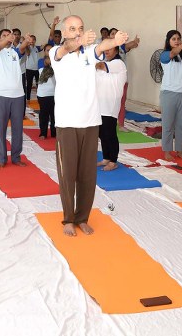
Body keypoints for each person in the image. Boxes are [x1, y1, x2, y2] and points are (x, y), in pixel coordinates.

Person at [50, 15, 128, 237]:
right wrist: (79, 40)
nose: (77, 32)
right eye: (72, 29)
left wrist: (115, 41)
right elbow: (66, 48)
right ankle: (68, 218)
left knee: (87, 175)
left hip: (91, 121)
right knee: (67, 174)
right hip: (67, 123)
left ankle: (82, 217)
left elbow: (101, 46)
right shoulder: (56, 53)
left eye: (80, 28)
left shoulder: (89, 52)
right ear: (64, 32)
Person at [0, 29, 32, 167]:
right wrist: (6, 40)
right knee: (1, 128)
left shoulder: (15, 52)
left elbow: (22, 47)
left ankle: (16, 157)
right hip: (2, 95)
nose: (8, 38)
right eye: (4, 35)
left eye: (10, 35)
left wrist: (27, 40)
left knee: (17, 128)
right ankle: (1, 159)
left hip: (18, 95)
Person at [95, 39, 127, 171]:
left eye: (110, 48)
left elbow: (100, 66)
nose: (107, 51)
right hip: (99, 104)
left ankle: (113, 160)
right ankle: (106, 157)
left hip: (110, 104)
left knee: (110, 133)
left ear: (116, 50)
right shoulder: (103, 64)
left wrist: (88, 60)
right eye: (105, 48)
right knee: (102, 133)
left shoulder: (118, 63)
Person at [160, 30, 182, 161]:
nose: (177, 41)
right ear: (168, 41)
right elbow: (173, 53)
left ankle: (179, 150)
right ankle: (167, 151)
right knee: (168, 125)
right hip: (169, 94)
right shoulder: (165, 55)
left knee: (181, 125)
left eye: (179, 38)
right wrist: (180, 48)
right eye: (173, 39)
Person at [110, 27, 140, 127]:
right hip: (110, 81)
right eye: (112, 33)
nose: (114, 35)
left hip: (122, 81)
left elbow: (131, 45)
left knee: (122, 103)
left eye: (116, 33)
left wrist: (135, 41)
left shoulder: (122, 47)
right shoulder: (105, 49)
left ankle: (121, 125)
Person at [36, 45, 56, 139]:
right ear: (44, 52)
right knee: (44, 115)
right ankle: (43, 133)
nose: (50, 52)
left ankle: (54, 132)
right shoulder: (41, 61)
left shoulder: (58, 62)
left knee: (54, 115)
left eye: (52, 50)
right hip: (43, 94)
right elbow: (47, 62)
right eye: (48, 50)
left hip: (55, 93)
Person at [24, 33, 41, 100]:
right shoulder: (28, 47)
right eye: (31, 39)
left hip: (37, 69)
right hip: (29, 69)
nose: (32, 41)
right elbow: (27, 53)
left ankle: (39, 98)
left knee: (38, 84)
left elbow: (44, 46)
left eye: (34, 40)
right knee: (29, 85)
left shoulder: (36, 48)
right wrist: (27, 43)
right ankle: (28, 99)